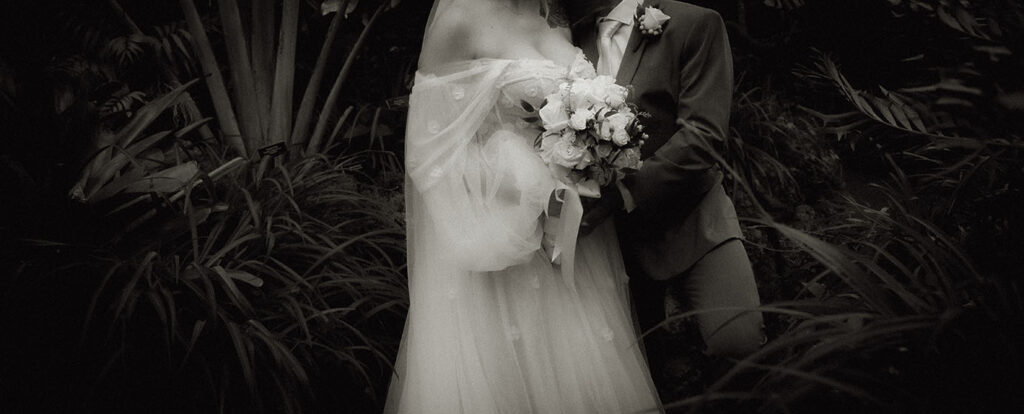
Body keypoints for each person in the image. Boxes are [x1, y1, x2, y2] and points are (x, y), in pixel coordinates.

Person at [384, 0, 662, 412]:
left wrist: (597, 156)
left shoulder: (550, 16)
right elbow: (430, 153)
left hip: (574, 240)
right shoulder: (460, 17)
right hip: (503, 240)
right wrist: (523, 179)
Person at [568, 0, 765, 391]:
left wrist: (621, 193)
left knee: (739, 345)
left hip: (693, 219)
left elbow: (703, 137)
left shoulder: (694, 24)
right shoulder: (570, 38)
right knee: (639, 374)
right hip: (616, 242)